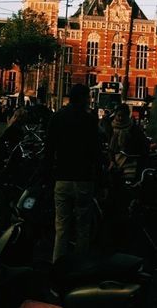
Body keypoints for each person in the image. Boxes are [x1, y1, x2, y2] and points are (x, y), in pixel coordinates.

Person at [44, 84, 103, 263]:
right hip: (84, 179)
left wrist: (48, 176)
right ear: (84, 98)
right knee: (83, 227)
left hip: (62, 177)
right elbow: (96, 152)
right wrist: (100, 178)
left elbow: (49, 150)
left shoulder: (57, 118)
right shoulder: (90, 120)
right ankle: (79, 267)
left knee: (61, 227)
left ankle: (58, 266)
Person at [106, 104, 148, 183]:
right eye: (119, 115)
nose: (120, 118)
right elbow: (110, 147)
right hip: (115, 161)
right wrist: (111, 160)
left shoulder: (133, 129)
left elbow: (141, 144)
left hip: (130, 162)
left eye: (123, 116)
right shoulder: (111, 127)